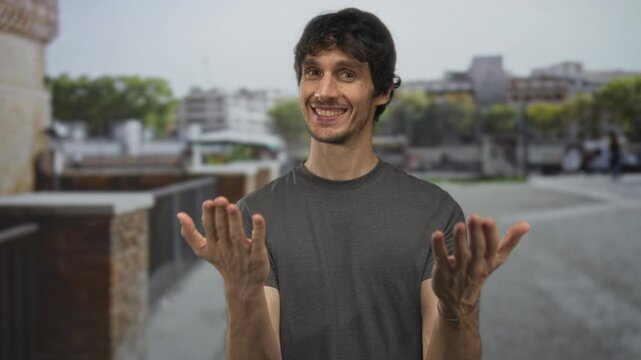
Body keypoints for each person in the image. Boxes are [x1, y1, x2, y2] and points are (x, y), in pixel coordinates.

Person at [177, 8, 530, 360]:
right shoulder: (256, 214)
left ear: (383, 91)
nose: (324, 92)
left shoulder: (435, 212)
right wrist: (243, 295)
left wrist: (457, 310)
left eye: (347, 74)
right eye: (313, 72)